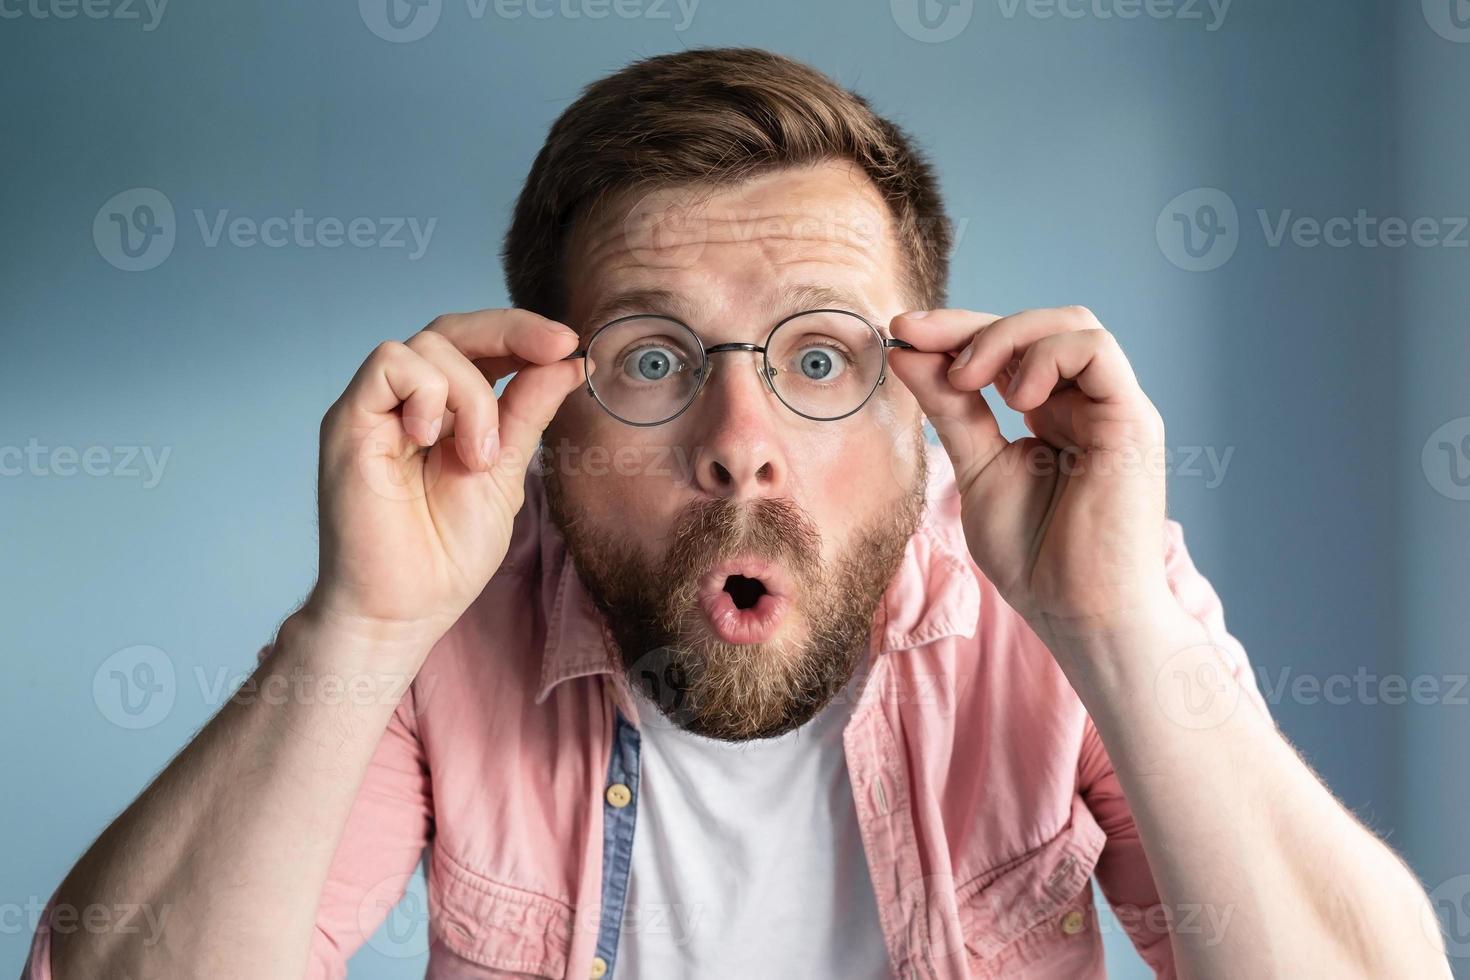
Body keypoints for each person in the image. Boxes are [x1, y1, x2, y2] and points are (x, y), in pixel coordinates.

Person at [32, 47, 1448, 980]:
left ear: (920, 413)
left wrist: (1119, 628)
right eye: (651, 361)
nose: (739, 449)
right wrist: (362, 620)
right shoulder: (442, 627)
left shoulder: (1071, 599)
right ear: (544, 417)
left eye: (820, 360)